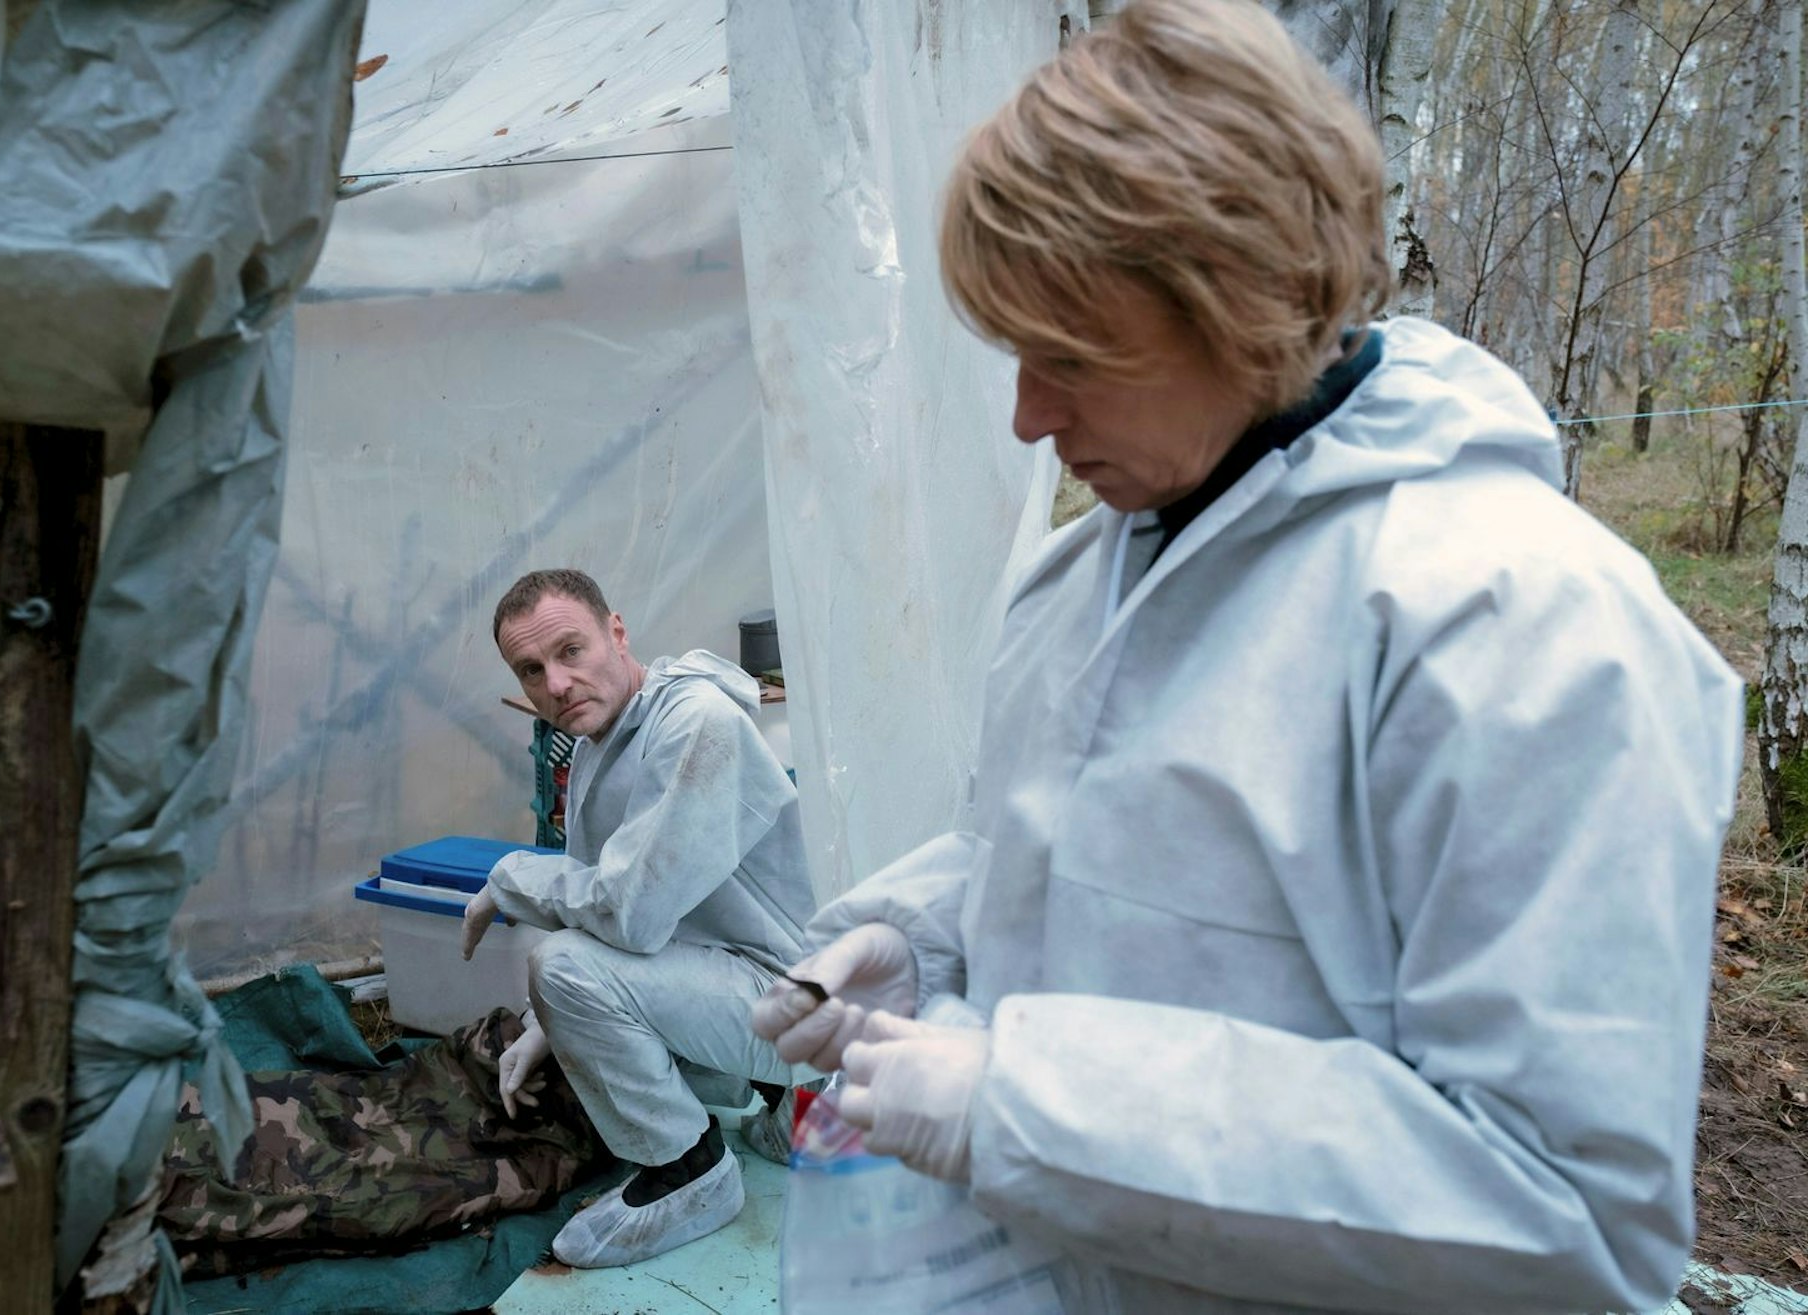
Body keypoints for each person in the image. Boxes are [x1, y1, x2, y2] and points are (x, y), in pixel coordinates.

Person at [751, 2, 1744, 1311]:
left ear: (1239, 299)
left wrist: (1020, 1100)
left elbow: (1557, 1206)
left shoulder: (1523, 629)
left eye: (1072, 356)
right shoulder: (1090, 570)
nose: (1028, 414)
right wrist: (919, 939)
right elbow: (1076, 862)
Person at [462, 568, 815, 1269]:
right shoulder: (603, 743)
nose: (555, 684)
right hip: (745, 990)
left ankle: (691, 1172)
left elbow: (628, 915)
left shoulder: (694, 723)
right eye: (531, 669)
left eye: (571, 650)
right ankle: (780, 1103)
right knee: (565, 994)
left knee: (556, 966)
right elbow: (605, 904)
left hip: (795, 1003)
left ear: (616, 632)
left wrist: (508, 878)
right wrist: (545, 1027)